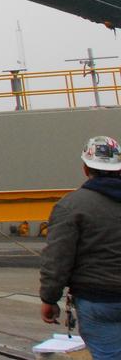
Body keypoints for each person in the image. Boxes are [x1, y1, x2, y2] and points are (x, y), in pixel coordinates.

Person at [40, 135, 121, 359]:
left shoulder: (71, 206)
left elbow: (57, 258)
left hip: (98, 300)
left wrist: (49, 299)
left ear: (86, 169)